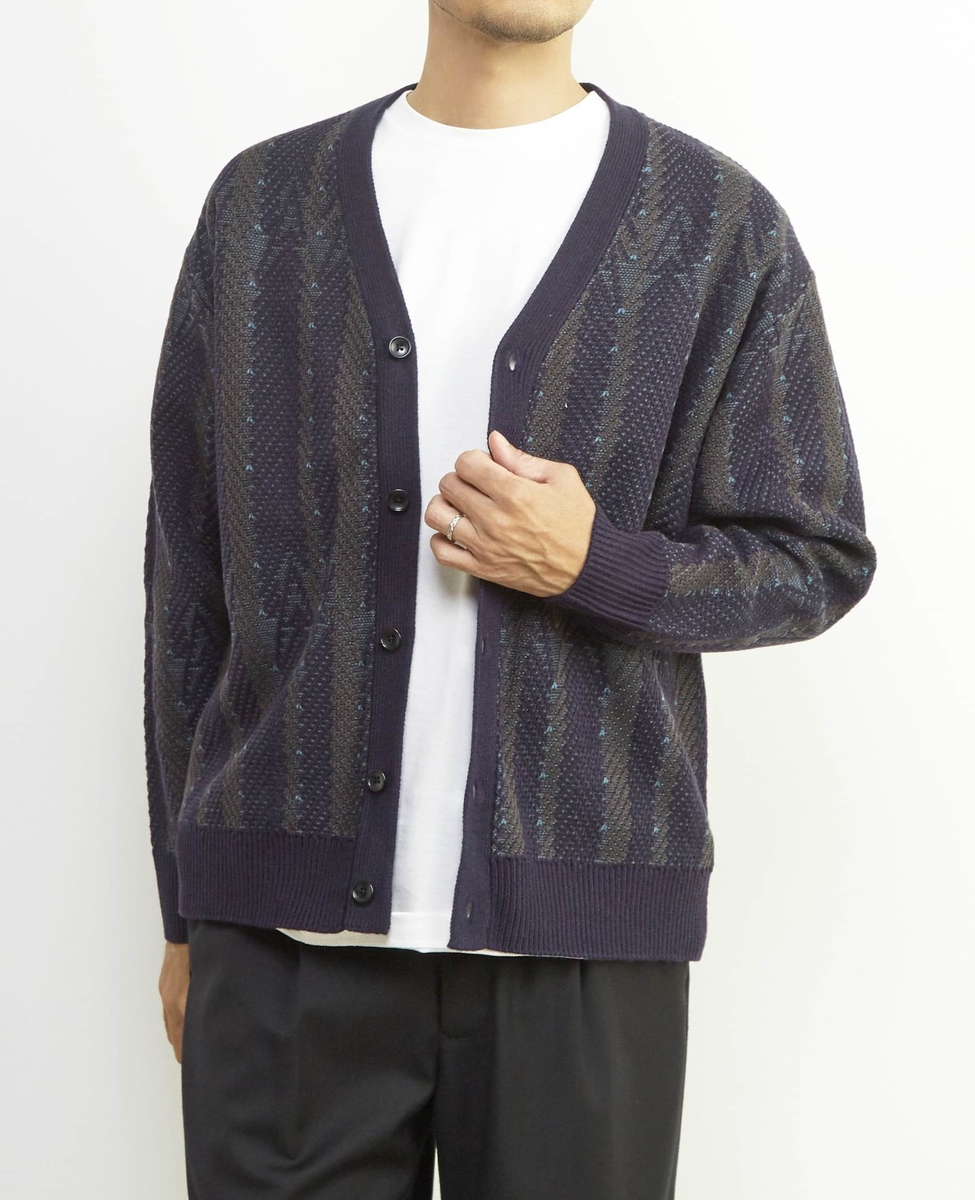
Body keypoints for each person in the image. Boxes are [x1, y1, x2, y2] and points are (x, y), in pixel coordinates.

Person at [144, 2, 877, 1196]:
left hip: (581, 951)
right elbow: (185, 587)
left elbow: (816, 556)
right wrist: (184, 915)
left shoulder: (717, 228)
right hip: (278, 952)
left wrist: (597, 563)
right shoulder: (262, 212)